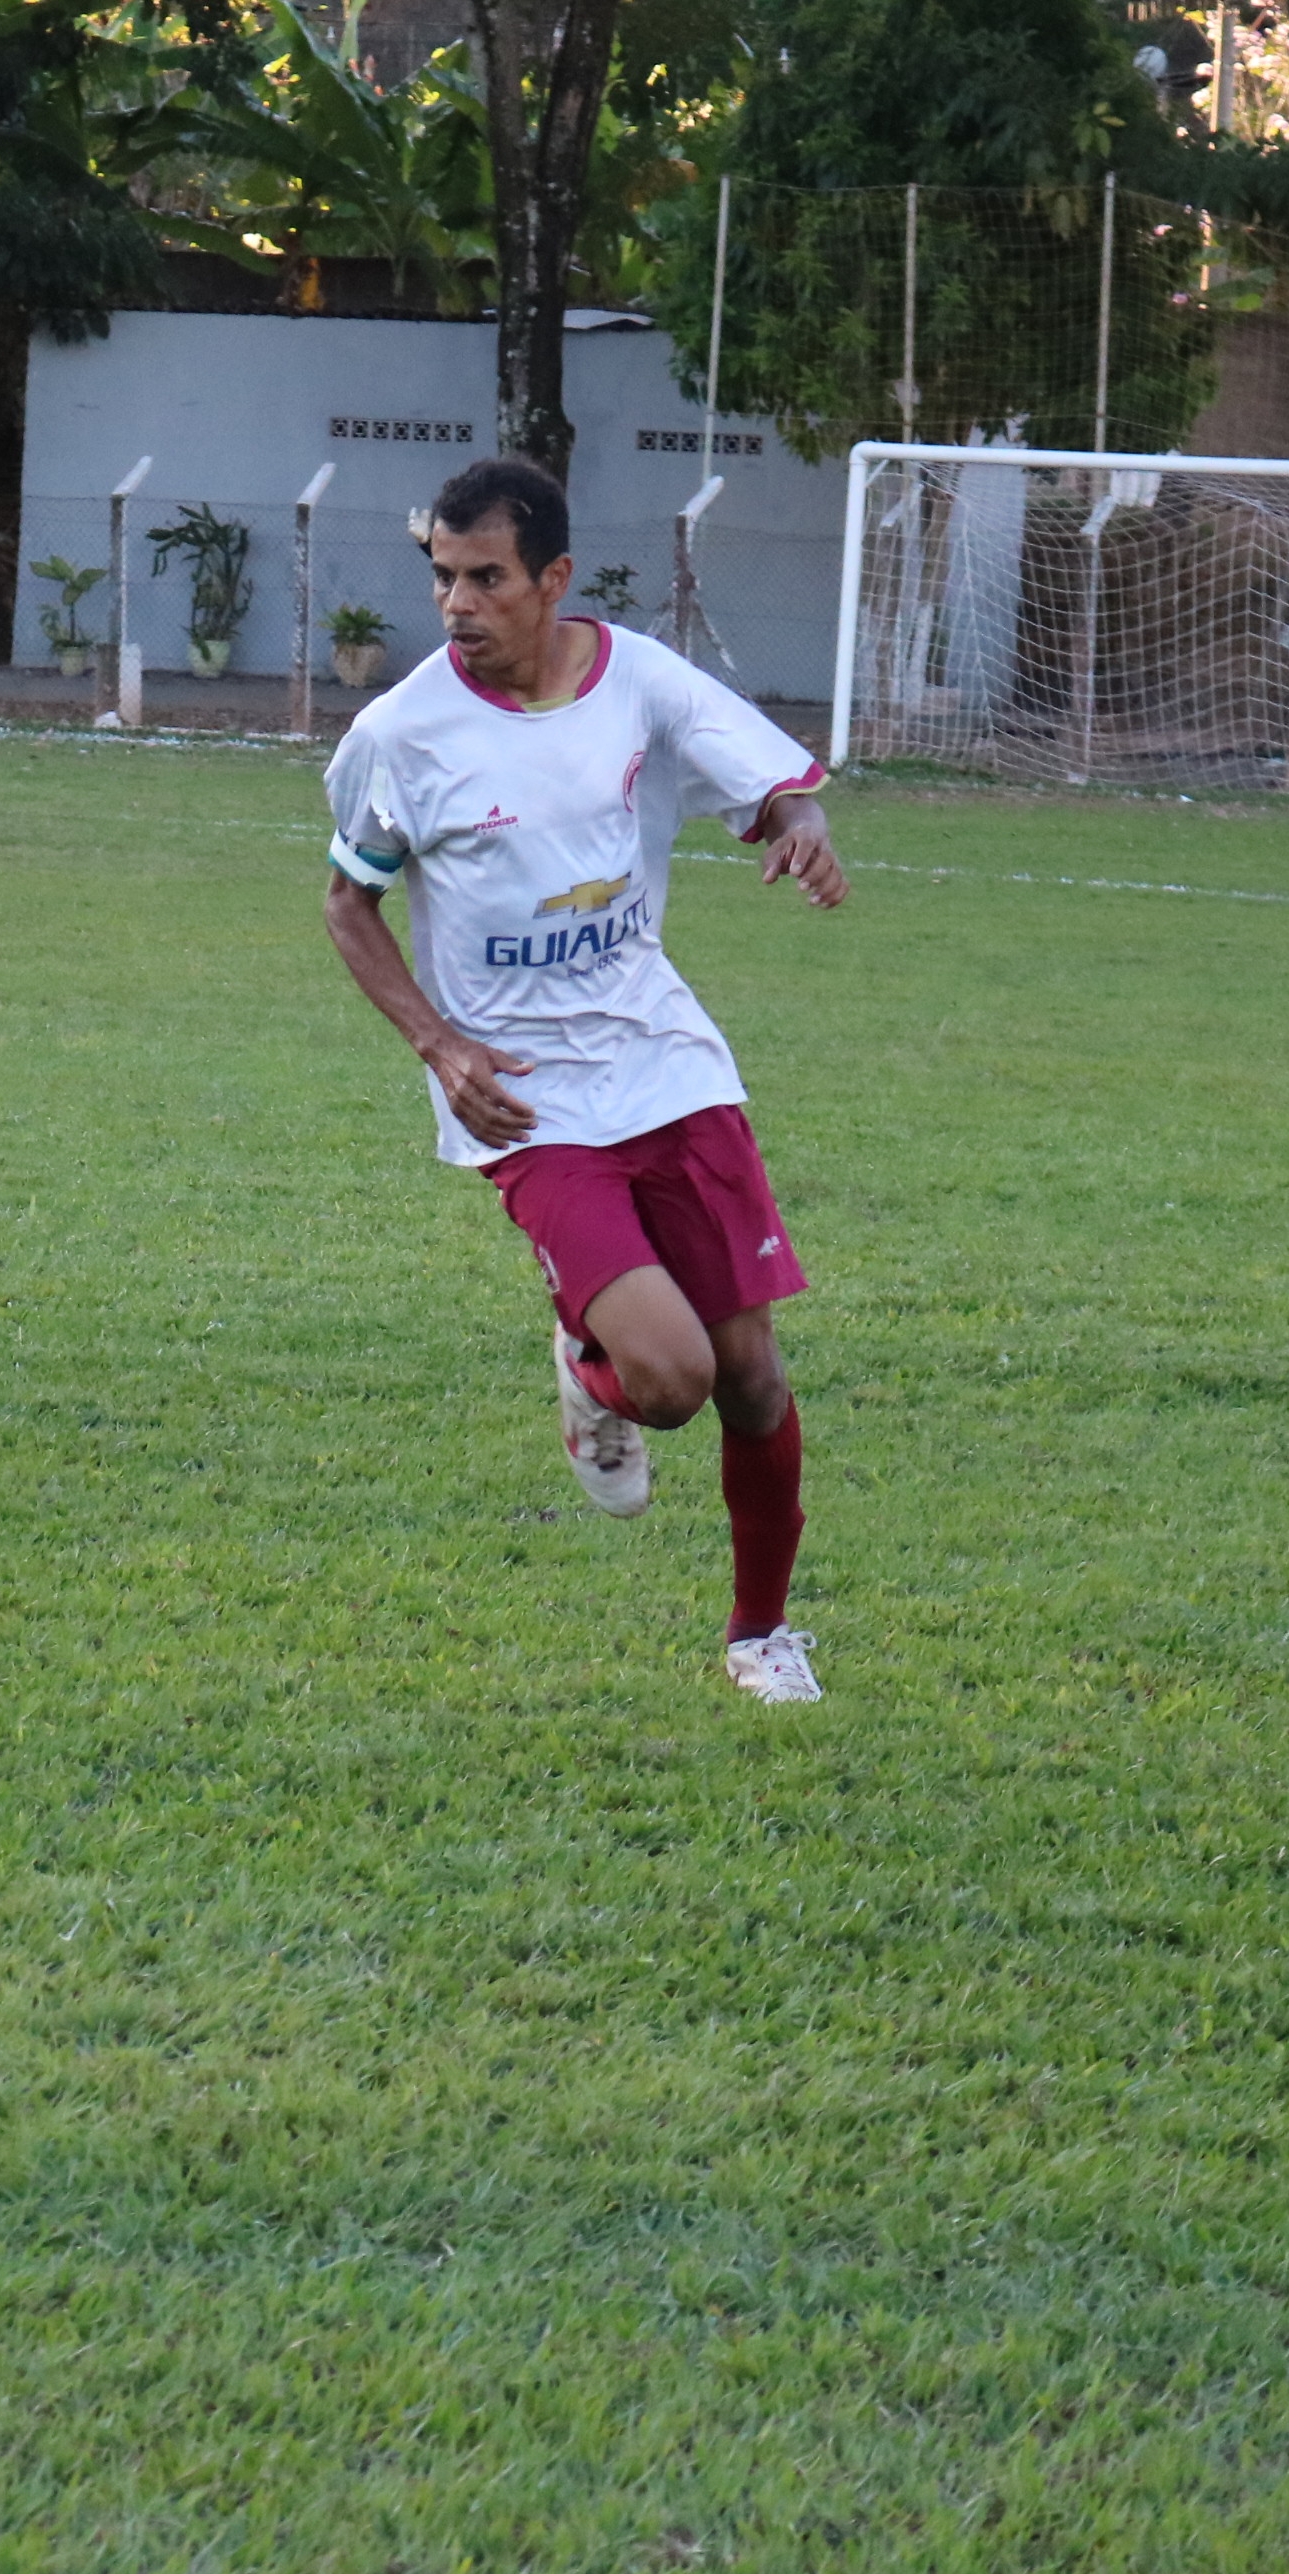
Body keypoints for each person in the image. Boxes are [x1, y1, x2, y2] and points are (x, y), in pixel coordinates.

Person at [319, 456, 849, 1704]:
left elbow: (768, 782)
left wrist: (802, 827)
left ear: (553, 578)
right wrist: (440, 1044)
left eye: (486, 579)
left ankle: (762, 1635)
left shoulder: (641, 681)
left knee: (753, 1375)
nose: (457, 605)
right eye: (443, 578)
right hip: (529, 1098)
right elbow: (349, 904)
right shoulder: (399, 734)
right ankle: (591, 1359)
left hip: (666, 1066)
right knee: (672, 1382)